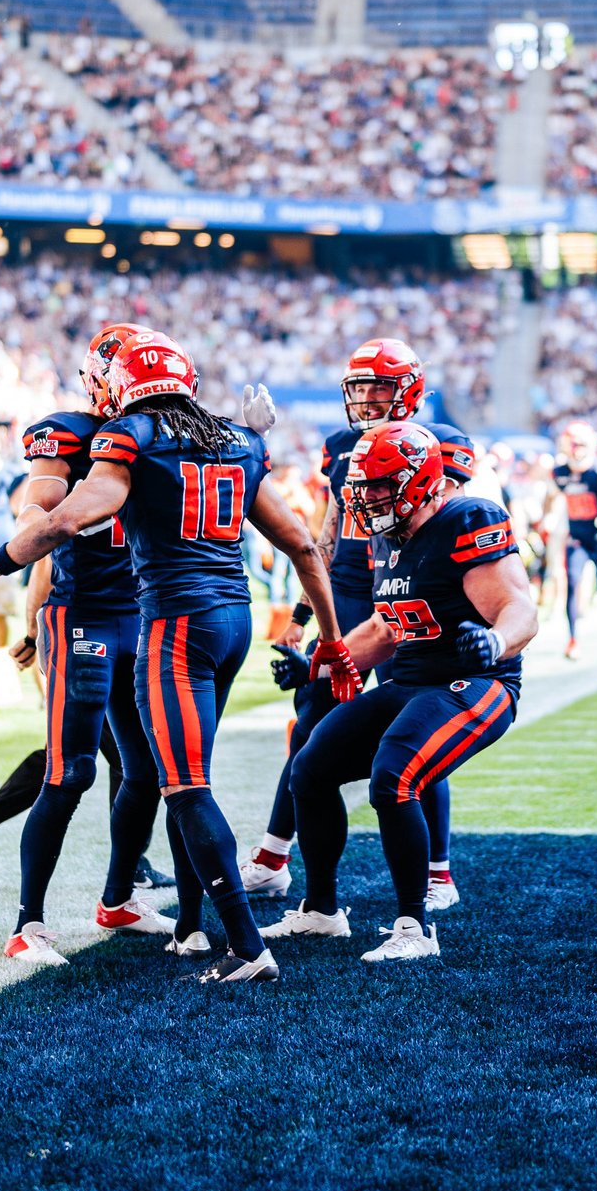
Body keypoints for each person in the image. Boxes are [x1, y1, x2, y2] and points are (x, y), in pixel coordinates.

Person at [0, 330, 349, 986]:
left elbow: (62, 520)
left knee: (178, 781)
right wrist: (331, 639)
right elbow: (301, 542)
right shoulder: (227, 439)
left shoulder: (134, 437)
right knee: (112, 772)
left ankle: (218, 935)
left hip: (165, 620)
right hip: (182, 617)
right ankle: (105, 922)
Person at [271, 421, 540, 964]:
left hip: (477, 682)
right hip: (412, 679)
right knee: (310, 766)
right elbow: (384, 629)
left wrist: (494, 640)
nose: (367, 498)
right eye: (362, 487)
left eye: (378, 485)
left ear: (419, 481)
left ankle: (413, 927)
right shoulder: (387, 535)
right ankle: (321, 910)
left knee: (394, 775)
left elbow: (521, 610)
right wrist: (319, 668)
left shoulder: (468, 518)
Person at [242, 339, 475, 910]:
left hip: (403, 591)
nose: (368, 399)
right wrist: (303, 613)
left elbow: (448, 528)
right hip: (347, 589)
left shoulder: (442, 444)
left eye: (380, 387)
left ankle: (437, 871)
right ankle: (275, 857)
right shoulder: (341, 446)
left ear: (409, 391)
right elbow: (327, 532)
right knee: (310, 725)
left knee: (417, 722)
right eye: (359, 388)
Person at [0, 322, 180, 962]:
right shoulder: (68, 432)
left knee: (149, 768)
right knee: (70, 769)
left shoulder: (161, 434)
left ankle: (118, 899)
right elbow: (40, 506)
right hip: (82, 616)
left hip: (142, 614)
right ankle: (27, 925)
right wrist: (30, 608)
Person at [551, 421, 597, 655]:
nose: (577, 450)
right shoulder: (560, 472)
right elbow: (553, 495)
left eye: (581, 445)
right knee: (572, 581)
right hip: (577, 538)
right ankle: (573, 639)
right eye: (573, 445)